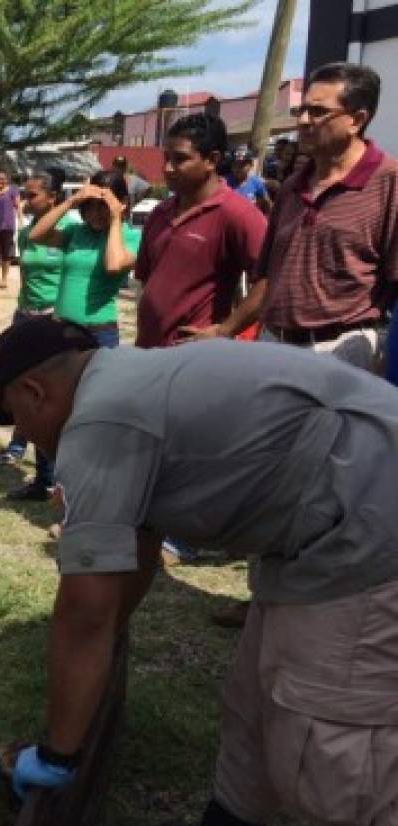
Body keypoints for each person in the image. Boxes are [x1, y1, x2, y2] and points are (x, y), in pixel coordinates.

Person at [0, 315, 398, 826]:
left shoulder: (99, 421)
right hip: (316, 521)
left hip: (370, 523)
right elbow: (136, 554)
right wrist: (98, 660)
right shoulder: (124, 380)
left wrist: (56, 754)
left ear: (34, 391)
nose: (19, 431)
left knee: (327, 746)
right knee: (252, 710)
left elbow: (85, 616)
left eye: (12, 417)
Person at [185, 63, 397, 372]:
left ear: (357, 120)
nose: (303, 121)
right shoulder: (292, 187)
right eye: (302, 110)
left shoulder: (388, 183)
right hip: (274, 343)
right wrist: (225, 329)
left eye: (318, 112)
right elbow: (269, 276)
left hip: (341, 352)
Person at [135, 113, 267, 568]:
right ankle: (149, 524)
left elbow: (269, 278)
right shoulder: (160, 212)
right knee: (154, 445)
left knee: (194, 450)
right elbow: (148, 279)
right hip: (150, 355)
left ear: (212, 160)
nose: (167, 168)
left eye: (179, 159)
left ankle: (187, 536)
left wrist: (226, 329)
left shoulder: (236, 213)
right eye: (165, 158)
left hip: (196, 359)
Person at [0, 172, 66, 501]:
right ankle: (30, 464)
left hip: (53, 321)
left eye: (33, 196)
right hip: (26, 317)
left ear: (53, 197)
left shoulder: (69, 229)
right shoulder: (29, 232)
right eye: (27, 195)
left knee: (48, 402)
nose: (26, 202)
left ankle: (53, 480)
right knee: (20, 391)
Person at [28, 170, 140, 348]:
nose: (94, 213)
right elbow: (35, 235)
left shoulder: (130, 236)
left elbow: (113, 265)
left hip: (98, 332)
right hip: (61, 328)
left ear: (123, 202)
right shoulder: (77, 231)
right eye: (90, 205)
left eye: (102, 206)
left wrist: (116, 217)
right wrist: (72, 200)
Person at [224, 145, 272, 215]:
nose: (238, 168)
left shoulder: (256, 182)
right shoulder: (224, 183)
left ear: (251, 165)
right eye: (235, 164)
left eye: (242, 165)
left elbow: (267, 202)